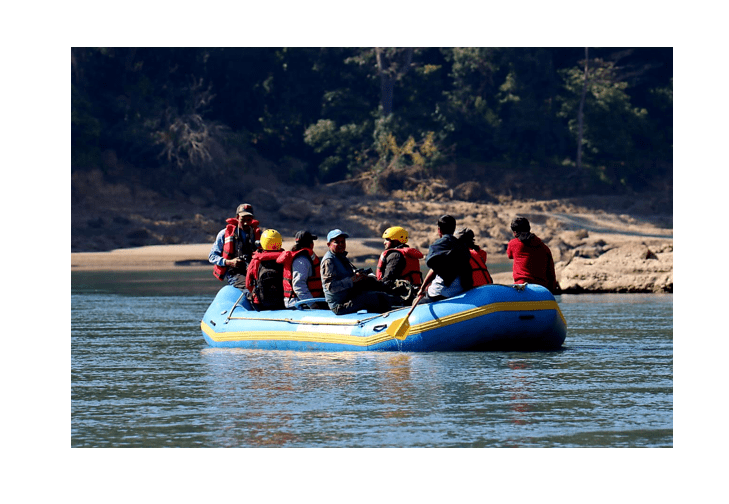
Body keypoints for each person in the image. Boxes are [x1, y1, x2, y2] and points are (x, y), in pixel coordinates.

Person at [320, 229, 401, 315]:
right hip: (339, 305)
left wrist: (360, 277)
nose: (341, 244)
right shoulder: (329, 261)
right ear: (329, 244)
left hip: (348, 296)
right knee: (376, 298)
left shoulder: (341, 257)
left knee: (377, 289)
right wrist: (352, 280)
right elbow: (331, 287)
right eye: (337, 242)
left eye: (343, 242)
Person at [416, 215, 473, 304]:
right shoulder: (463, 247)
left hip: (440, 292)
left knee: (417, 302)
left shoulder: (437, 245)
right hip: (461, 290)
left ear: (439, 230)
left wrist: (422, 289)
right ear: (454, 229)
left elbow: (431, 265)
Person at [209, 203, 262, 289]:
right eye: (242, 219)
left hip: (254, 271)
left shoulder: (258, 234)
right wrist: (229, 262)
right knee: (250, 289)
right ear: (237, 217)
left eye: (248, 220)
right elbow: (212, 256)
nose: (245, 223)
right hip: (234, 273)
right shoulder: (224, 234)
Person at [276, 230, 327, 309]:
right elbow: (298, 285)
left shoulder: (303, 257)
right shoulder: (301, 260)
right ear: (310, 244)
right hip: (298, 303)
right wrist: (312, 304)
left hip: (303, 301)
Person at [507, 217, 559, 293]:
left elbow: (509, 255)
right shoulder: (544, 248)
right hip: (541, 289)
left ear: (515, 233)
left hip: (521, 287)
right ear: (529, 229)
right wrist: (551, 291)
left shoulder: (513, 244)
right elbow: (551, 273)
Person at [377, 226, 423, 303]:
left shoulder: (395, 255)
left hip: (400, 295)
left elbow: (388, 280)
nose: (384, 242)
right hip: (411, 293)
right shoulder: (407, 253)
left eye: (387, 239)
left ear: (395, 241)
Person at [245, 229, 286, 310]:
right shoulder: (285, 258)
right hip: (282, 301)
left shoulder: (256, 260)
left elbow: (248, 283)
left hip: (260, 302)